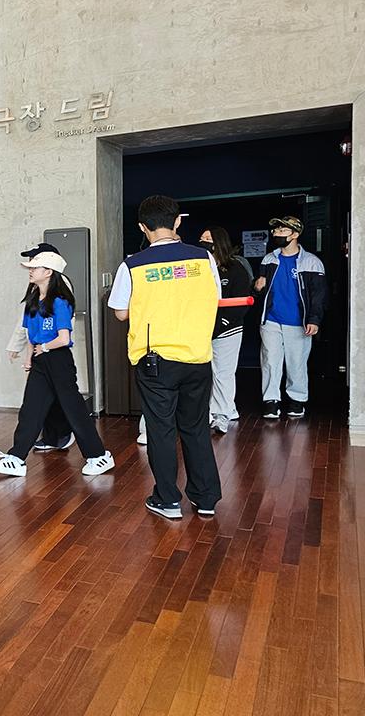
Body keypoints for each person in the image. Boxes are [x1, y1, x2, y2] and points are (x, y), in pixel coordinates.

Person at [109, 195, 221, 520]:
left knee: (161, 430)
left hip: (155, 361)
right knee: (195, 427)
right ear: (178, 221)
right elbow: (214, 297)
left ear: (142, 227)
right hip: (197, 356)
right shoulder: (203, 258)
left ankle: (168, 499)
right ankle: (206, 498)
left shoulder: (132, 265)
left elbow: (120, 312)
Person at [0, 251, 114, 478]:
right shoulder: (32, 302)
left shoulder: (60, 302)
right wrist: (29, 357)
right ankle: (16, 458)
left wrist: (44, 348)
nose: (30, 271)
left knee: (74, 410)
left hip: (58, 360)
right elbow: (31, 334)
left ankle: (99, 456)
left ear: (48, 272)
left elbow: (64, 339)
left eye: (34, 268)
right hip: (40, 360)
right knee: (30, 409)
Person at [7, 242, 78, 452]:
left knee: (59, 399)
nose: (30, 265)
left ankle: (62, 435)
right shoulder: (37, 286)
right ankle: (49, 437)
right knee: (40, 400)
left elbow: (61, 324)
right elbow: (29, 321)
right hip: (42, 351)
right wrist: (25, 350)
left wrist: (46, 346)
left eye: (35, 261)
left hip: (53, 351)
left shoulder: (58, 286)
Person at [254, 216, 327, 419]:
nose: (276, 234)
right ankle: (271, 401)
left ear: (295, 234)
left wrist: (314, 319)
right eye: (275, 231)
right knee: (270, 361)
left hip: (298, 322)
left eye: (282, 231)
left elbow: (319, 296)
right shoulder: (269, 259)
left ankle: (297, 400)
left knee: (296, 363)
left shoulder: (311, 262)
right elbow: (261, 287)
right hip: (271, 320)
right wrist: (257, 287)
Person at [199, 226, 252, 433]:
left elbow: (240, 304)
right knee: (204, 374)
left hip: (229, 329)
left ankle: (222, 415)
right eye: (202, 238)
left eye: (208, 238)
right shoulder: (199, 268)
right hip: (202, 330)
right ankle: (212, 412)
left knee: (223, 373)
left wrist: (222, 323)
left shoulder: (236, 268)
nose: (203, 242)